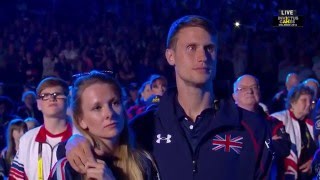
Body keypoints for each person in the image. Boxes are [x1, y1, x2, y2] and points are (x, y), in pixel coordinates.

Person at [65, 15, 272, 179]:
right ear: (170, 56)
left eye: (209, 48)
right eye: (191, 48)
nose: (202, 57)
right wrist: (73, 142)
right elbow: (100, 150)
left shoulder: (252, 128)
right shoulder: (143, 128)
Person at [49, 71, 157, 179]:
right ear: (81, 120)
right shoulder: (69, 169)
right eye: (97, 108)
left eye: (115, 103)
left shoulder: (144, 162)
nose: (109, 113)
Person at [9, 77, 73, 180]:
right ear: (38, 104)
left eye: (57, 94)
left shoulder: (78, 137)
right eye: (45, 96)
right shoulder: (27, 140)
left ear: (68, 101)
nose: (52, 98)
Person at [232, 74, 291, 179]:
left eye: (254, 87)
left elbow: (283, 148)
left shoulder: (273, 123)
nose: (249, 91)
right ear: (234, 96)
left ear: (259, 91)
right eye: (242, 88)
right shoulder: (226, 123)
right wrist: (268, 143)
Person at [271, 84, 317, 179]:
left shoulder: (313, 123)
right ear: (293, 102)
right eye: (304, 100)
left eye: (311, 101)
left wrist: (314, 160)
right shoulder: (277, 119)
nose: (308, 104)